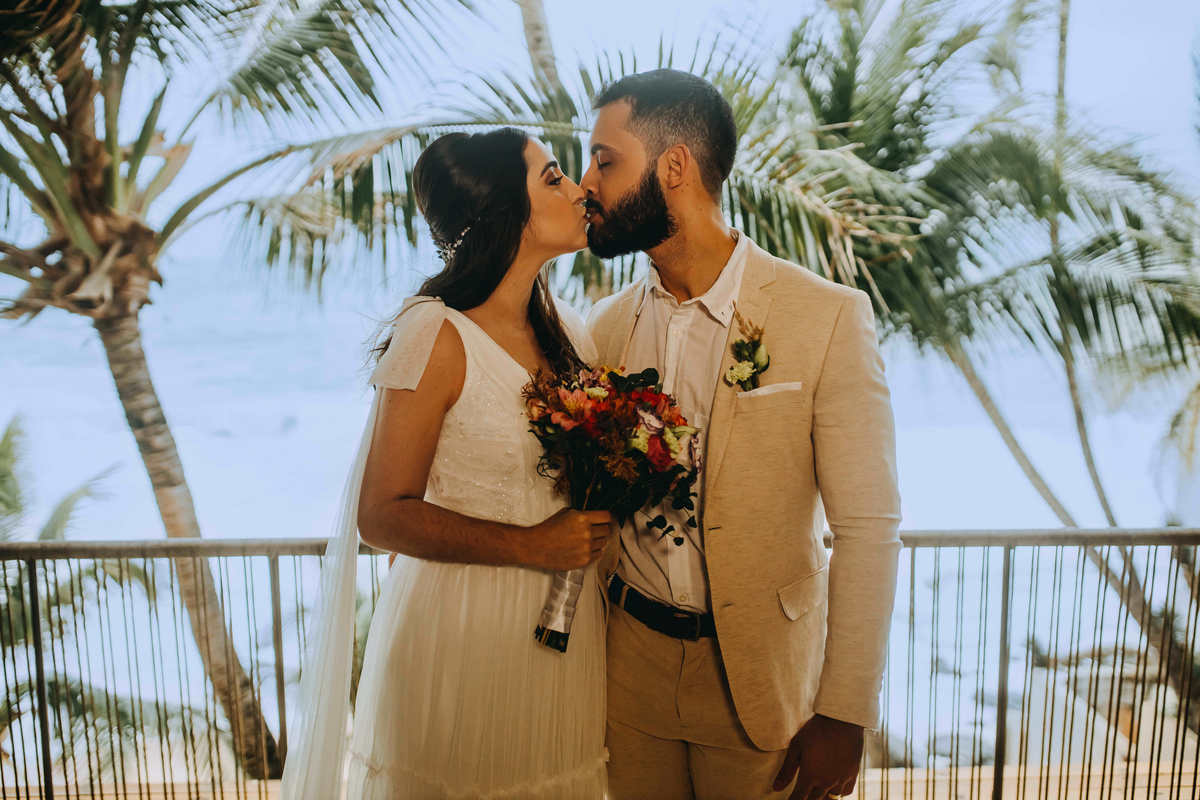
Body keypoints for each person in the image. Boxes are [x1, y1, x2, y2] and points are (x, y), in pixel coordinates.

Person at [582, 69, 903, 799]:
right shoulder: (605, 329)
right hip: (626, 680)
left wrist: (845, 710)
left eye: (605, 160)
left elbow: (868, 526)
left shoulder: (825, 316)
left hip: (760, 686)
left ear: (673, 167)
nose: (586, 184)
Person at [280, 127, 611, 799]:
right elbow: (382, 515)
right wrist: (532, 545)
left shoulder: (571, 333)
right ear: (504, 212)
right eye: (552, 178)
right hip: (462, 630)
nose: (579, 190)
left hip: (565, 636)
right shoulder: (434, 332)